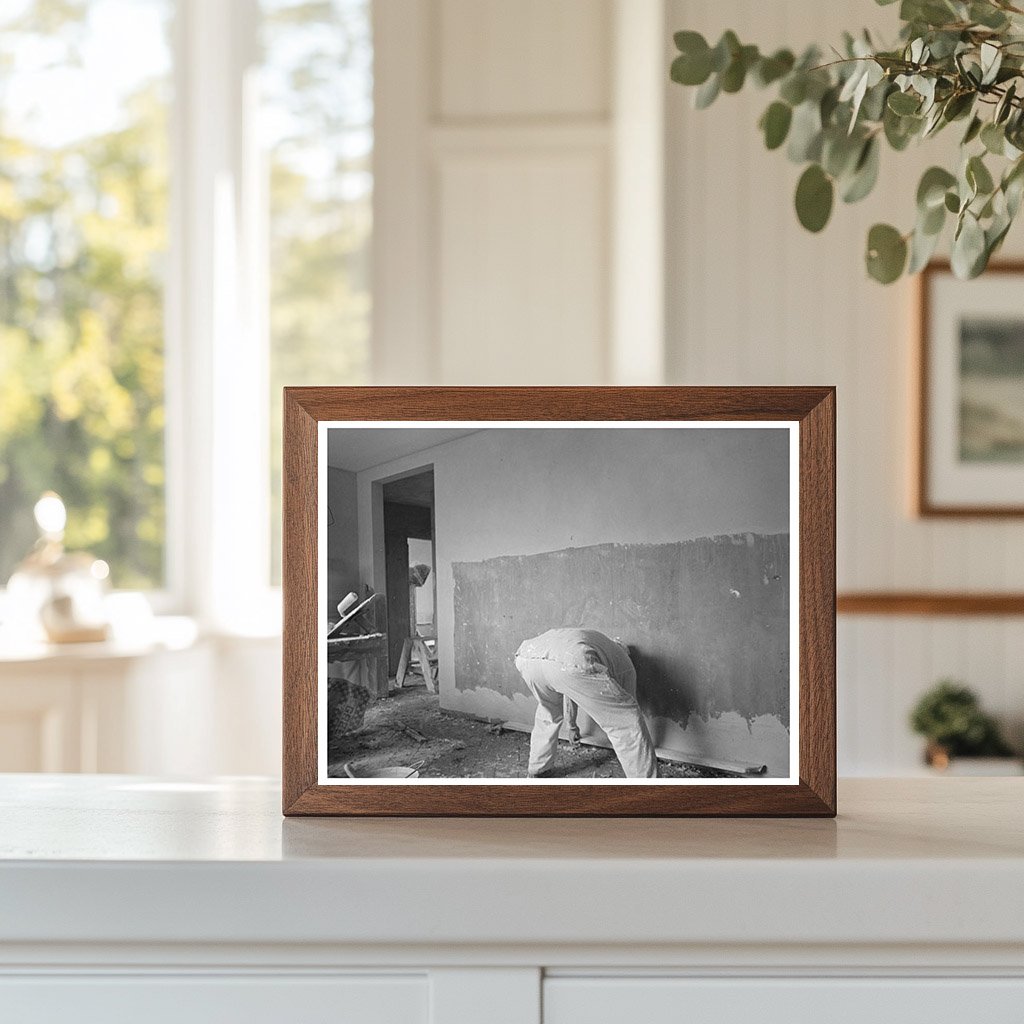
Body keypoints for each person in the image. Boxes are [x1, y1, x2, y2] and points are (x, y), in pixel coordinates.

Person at [514, 628, 658, 779]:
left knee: (548, 710)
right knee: (627, 721)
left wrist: (572, 726)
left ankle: (538, 770)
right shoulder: (623, 662)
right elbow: (623, 711)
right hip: (570, 659)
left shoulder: (595, 644)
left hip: (528, 656)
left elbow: (569, 687)